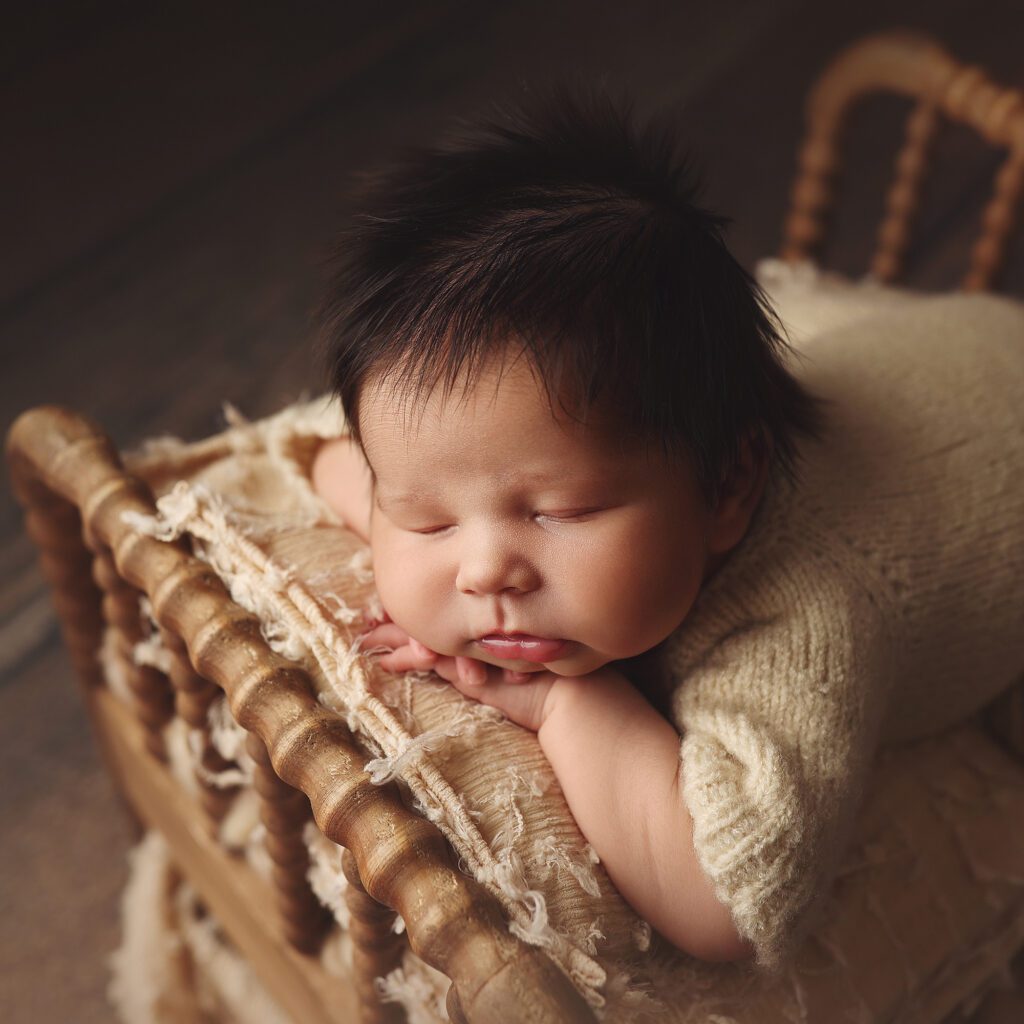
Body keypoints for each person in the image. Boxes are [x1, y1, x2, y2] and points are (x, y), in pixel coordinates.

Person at [311, 93, 1024, 968]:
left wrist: (563, 699)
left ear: (728, 488)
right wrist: (394, 509)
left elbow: (726, 905)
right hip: (923, 355)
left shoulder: (800, 612)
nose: (485, 571)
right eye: (426, 517)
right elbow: (337, 465)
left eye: (561, 513)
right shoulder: (540, 467)